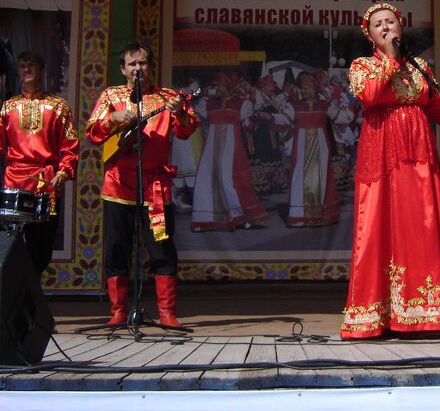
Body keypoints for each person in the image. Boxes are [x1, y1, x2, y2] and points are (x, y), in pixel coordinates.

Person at [340, 2, 440, 339]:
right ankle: (375, 315)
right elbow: (372, 96)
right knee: (377, 227)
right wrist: (393, 59)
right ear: (369, 34)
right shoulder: (362, 66)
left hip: (418, 157)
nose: (385, 28)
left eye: (390, 22)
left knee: (419, 226)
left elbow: (436, 105)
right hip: (380, 156)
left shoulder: (420, 66)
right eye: (378, 24)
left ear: (400, 26)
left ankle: (422, 313)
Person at [86, 42, 198, 328]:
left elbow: (185, 131)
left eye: (143, 63)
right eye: (132, 64)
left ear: (151, 67)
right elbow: (92, 134)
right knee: (117, 248)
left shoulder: (168, 96)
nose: (138, 69)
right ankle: (118, 311)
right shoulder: (111, 95)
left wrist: (181, 113)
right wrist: (112, 118)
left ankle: (167, 313)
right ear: (123, 69)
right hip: (118, 184)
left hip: (155, 186)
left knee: (162, 248)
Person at [0, 51, 79, 274]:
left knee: (42, 247)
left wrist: (63, 172)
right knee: (12, 244)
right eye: (22, 65)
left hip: (46, 184)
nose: (26, 69)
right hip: (14, 182)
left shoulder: (58, 106)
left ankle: (31, 295)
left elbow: (70, 146)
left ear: (41, 70)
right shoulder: (8, 108)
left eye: (31, 65)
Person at [191, 71, 268, 231]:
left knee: (229, 181)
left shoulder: (240, 103)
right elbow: (199, 120)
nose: (216, 89)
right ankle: (206, 218)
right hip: (211, 150)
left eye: (218, 86)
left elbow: (248, 127)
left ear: (226, 86)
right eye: (215, 86)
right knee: (207, 180)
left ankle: (239, 216)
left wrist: (253, 118)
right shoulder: (208, 104)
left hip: (232, 150)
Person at [286, 71, 340, 227]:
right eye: (302, 88)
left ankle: (317, 215)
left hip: (321, 149)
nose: (304, 91)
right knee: (298, 176)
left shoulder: (324, 106)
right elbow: (284, 118)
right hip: (301, 148)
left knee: (319, 178)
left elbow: (342, 116)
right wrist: (269, 117)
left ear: (314, 89)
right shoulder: (295, 106)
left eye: (307, 88)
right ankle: (299, 214)